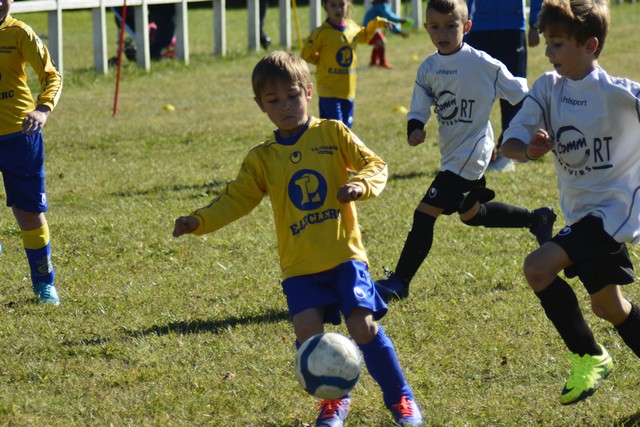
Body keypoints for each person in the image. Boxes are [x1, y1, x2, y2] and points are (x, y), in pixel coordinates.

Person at [173, 51, 423, 427]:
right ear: (260, 105)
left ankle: (401, 398)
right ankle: (334, 401)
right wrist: (199, 221)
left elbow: (376, 165)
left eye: (292, 96)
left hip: (344, 254)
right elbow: (236, 198)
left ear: (308, 91)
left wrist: (360, 184)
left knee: (362, 326)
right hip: (299, 265)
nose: (285, 106)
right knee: (308, 334)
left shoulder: (332, 133)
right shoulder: (263, 159)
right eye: (273, 100)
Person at [500, 0, 640, 405]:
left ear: (590, 45)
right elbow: (510, 142)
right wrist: (528, 150)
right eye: (547, 42)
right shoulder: (548, 88)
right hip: (581, 216)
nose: (548, 52)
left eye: (557, 43)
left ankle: (589, 355)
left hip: (613, 215)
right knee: (609, 307)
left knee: (537, 268)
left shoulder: (619, 93)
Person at [374, 0, 556, 303]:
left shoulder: (483, 64)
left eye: (451, 26)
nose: (442, 33)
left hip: (472, 153)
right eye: (435, 27)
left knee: (424, 214)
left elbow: (520, 92)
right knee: (471, 214)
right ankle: (537, 219)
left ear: (467, 27)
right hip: (452, 153)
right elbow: (420, 103)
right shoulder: (429, 67)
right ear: (426, 28)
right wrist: (415, 127)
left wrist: (546, 118)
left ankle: (400, 281)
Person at [0, 0, 62, 305]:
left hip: (19, 135)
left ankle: (43, 283)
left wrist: (42, 109)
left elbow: (52, 76)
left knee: (29, 213)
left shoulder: (19, 34)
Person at [465, 0, 543, 172]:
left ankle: (507, 152)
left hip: (512, 25)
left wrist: (535, 23)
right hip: (478, 27)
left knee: (514, 93)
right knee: (476, 94)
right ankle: (477, 149)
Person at [301, 0, 390, 128]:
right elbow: (307, 55)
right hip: (329, 89)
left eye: (341, 5)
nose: (338, 9)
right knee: (337, 128)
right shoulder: (322, 33)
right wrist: (321, 62)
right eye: (333, 5)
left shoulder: (352, 27)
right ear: (325, 7)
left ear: (348, 5)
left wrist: (377, 23)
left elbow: (365, 36)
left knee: (346, 129)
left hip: (348, 89)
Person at [362, 0, 410, 69]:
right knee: (381, 42)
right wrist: (400, 20)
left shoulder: (380, 4)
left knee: (378, 43)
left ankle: (373, 62)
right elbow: (389, 16)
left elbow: (388, 22)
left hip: (372, 28)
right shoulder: (382, 5)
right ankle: (382, 62)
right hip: (370, 28)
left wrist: (397, 31)